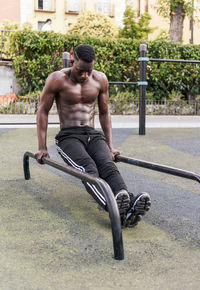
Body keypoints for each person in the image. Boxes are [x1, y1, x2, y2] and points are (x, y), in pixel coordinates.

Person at [35, 44, 151, 227]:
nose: (85, 76)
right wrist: (42, 147)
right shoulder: (57, 79)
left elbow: (104, 113)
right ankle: (115, 209)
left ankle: (126, 201)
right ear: (73, 61)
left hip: (92, 133)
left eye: (89, 71)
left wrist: (111, 146)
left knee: (108, 166)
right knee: (88, 169)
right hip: (68, 136)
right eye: (81, 71)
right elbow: (43, 111)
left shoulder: (100, 79)